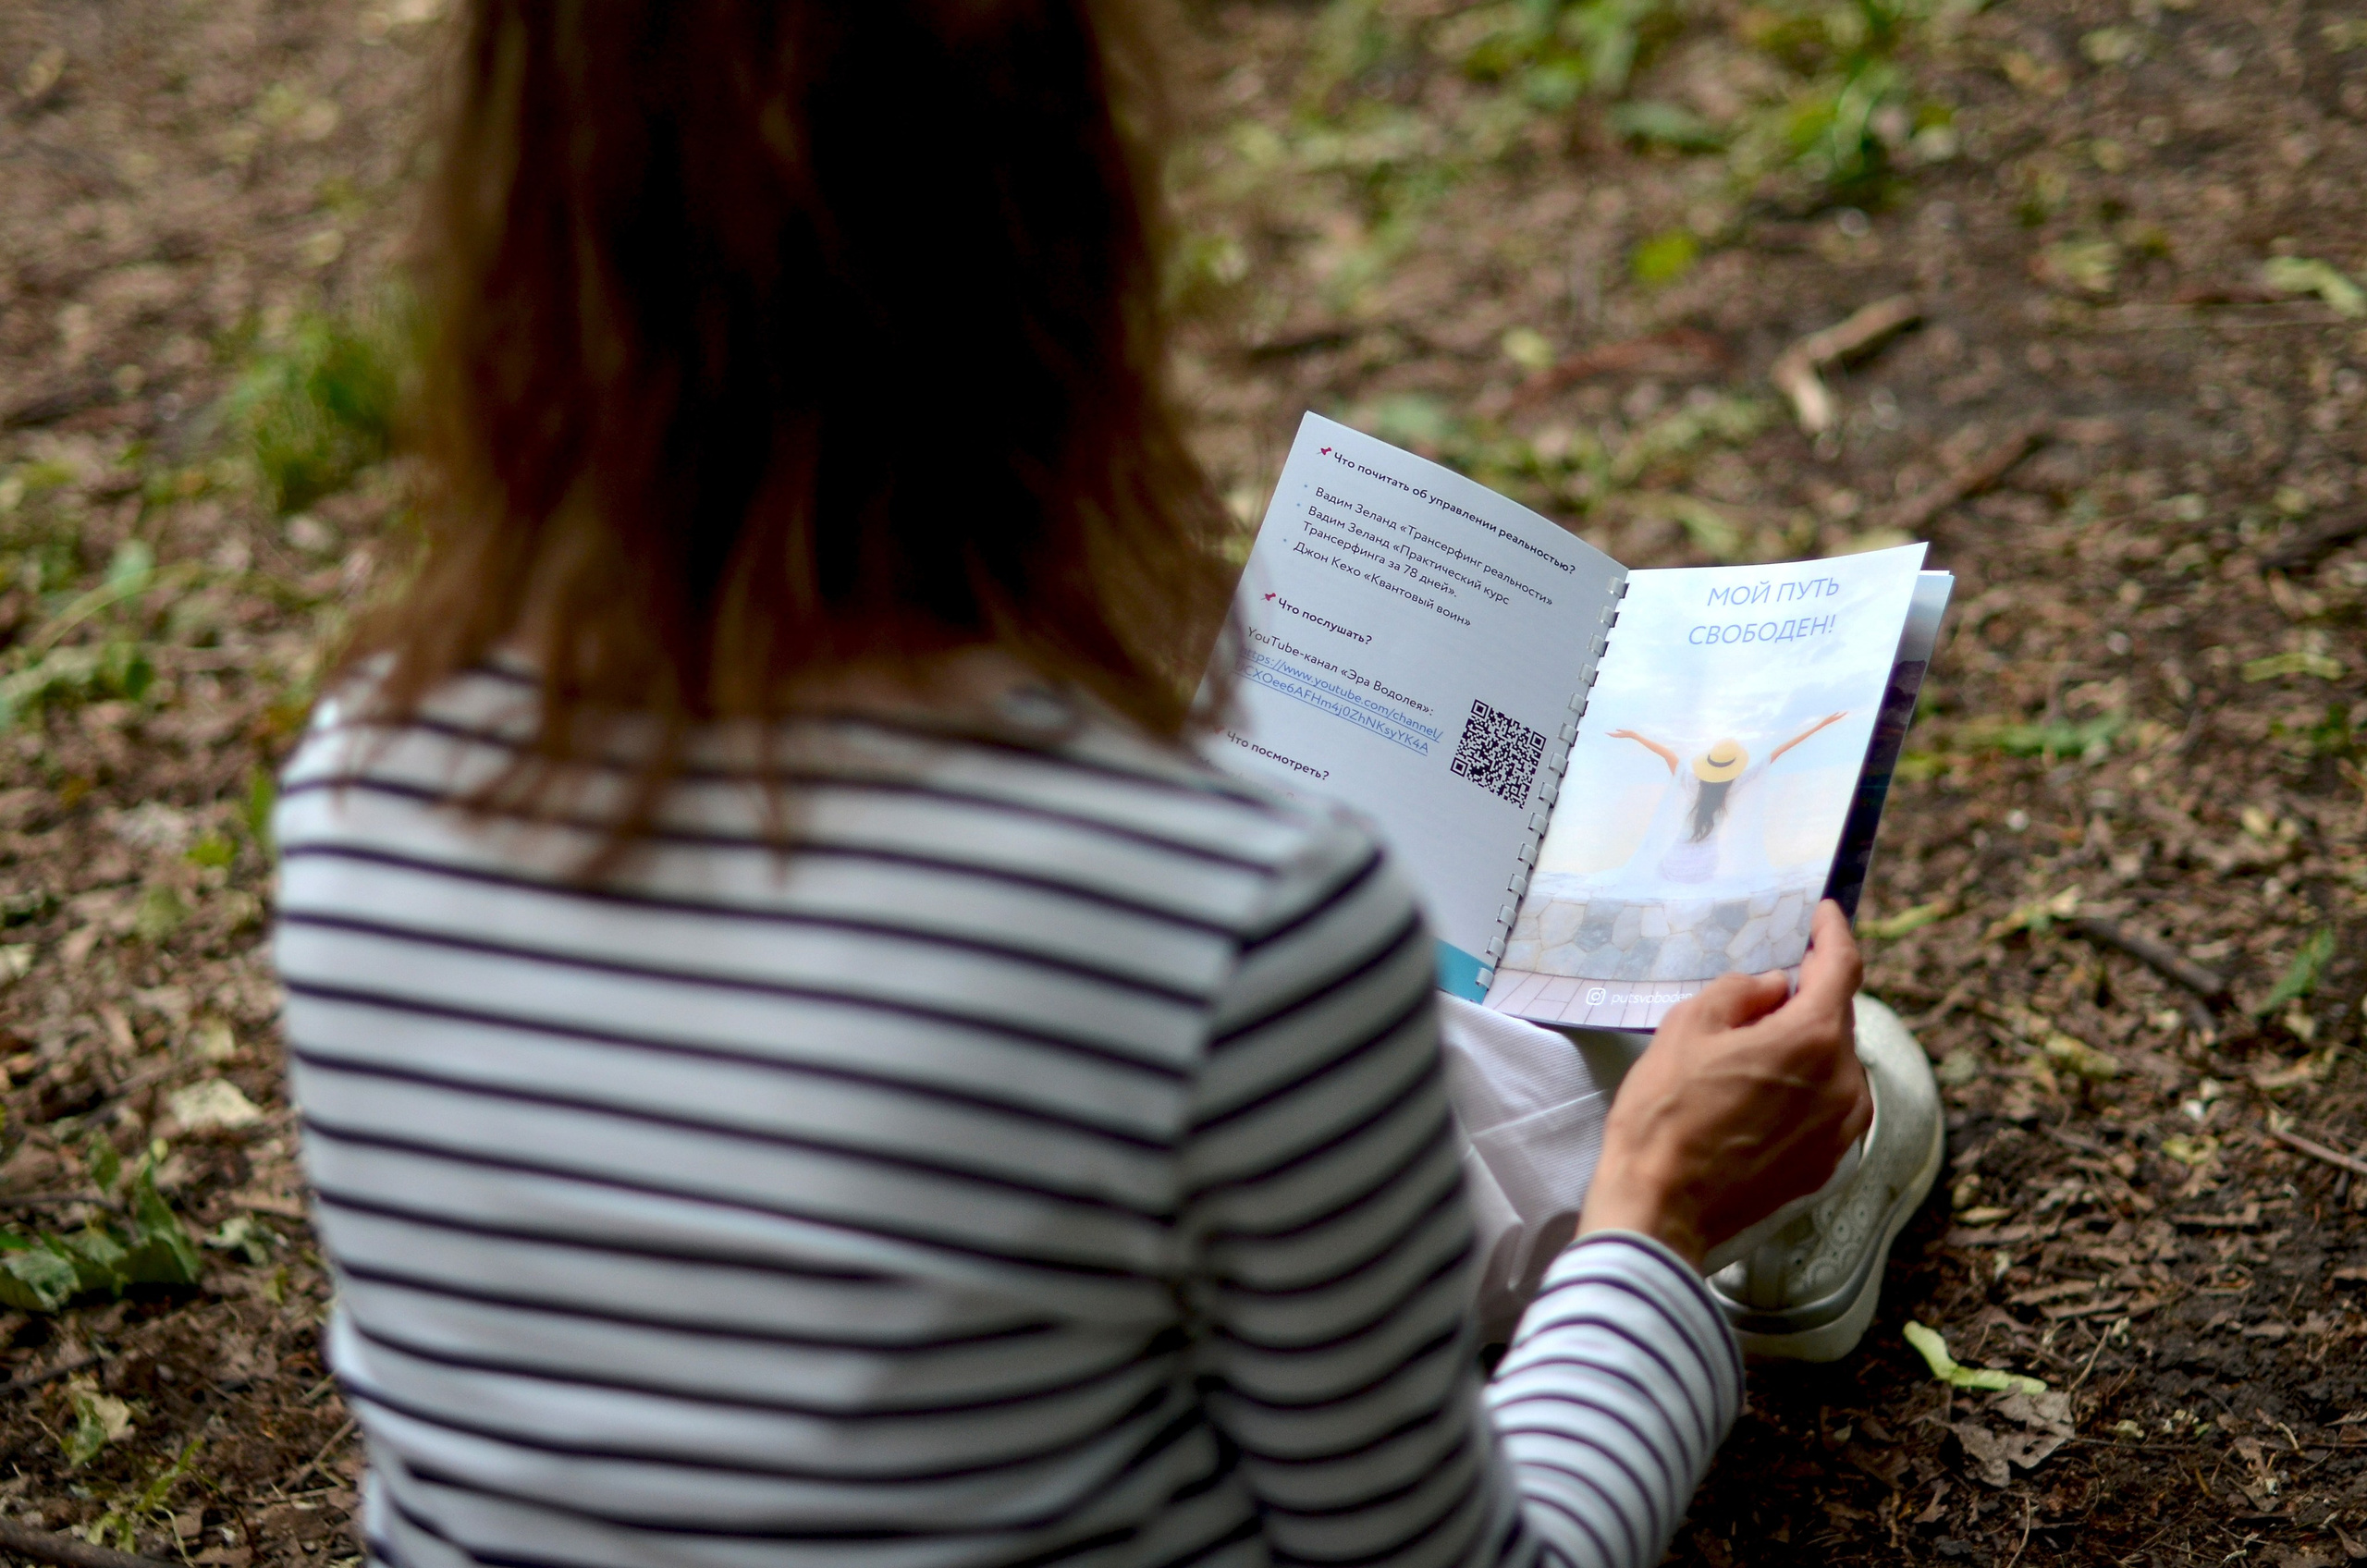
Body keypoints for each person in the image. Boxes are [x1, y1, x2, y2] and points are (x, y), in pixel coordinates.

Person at [269, 4, 1929, 1566]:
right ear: (1057, 259)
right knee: (1570, 1119)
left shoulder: (358, 797)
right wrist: (1651, 1220)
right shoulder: (1230, 909)